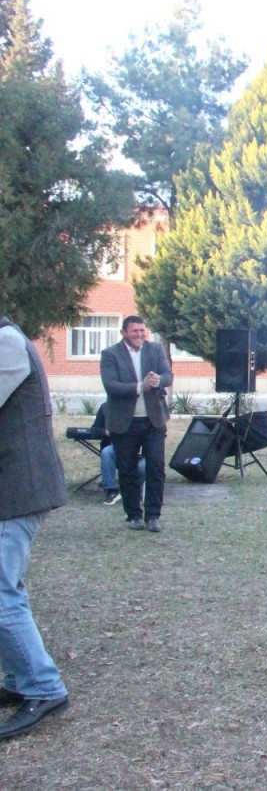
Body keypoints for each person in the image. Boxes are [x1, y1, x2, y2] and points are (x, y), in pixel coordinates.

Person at [0, 317, 70, 740]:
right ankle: (20, 679)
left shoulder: (6, 342)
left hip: (18, 488)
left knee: (2, 592)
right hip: (11, 488)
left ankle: (44, 687)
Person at [99, 315, 172, 532]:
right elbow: (111, 386)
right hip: (124, 422)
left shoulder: (155, 350)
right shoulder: (110, 354)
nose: (140, 335)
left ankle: (153, 516)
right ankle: (133, 515)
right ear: (124, 333)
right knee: (127, 469)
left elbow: (168, 375)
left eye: (142, 330)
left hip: (153, 420)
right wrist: (141, 386)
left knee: (156, 468)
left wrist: (159, 380)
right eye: (134, 331)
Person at [91, 403, 143, 505]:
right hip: (117, 447)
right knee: (107, 452)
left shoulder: (140, 409)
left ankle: (137, 490)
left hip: (139, 450)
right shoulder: (106, 407)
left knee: (143, 466)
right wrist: (106, 432)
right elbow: (94, 430)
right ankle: (111, 490)